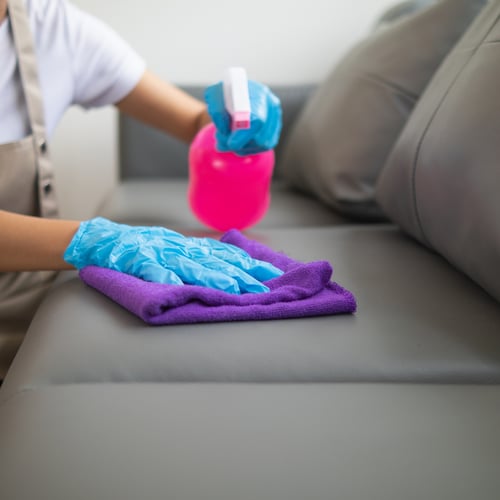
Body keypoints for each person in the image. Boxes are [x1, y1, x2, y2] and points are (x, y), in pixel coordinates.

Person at [0, 0, 283, 378]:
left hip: (20, 318)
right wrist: (94, 241)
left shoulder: (50, 28)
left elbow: (193, 120)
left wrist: (232, 124)